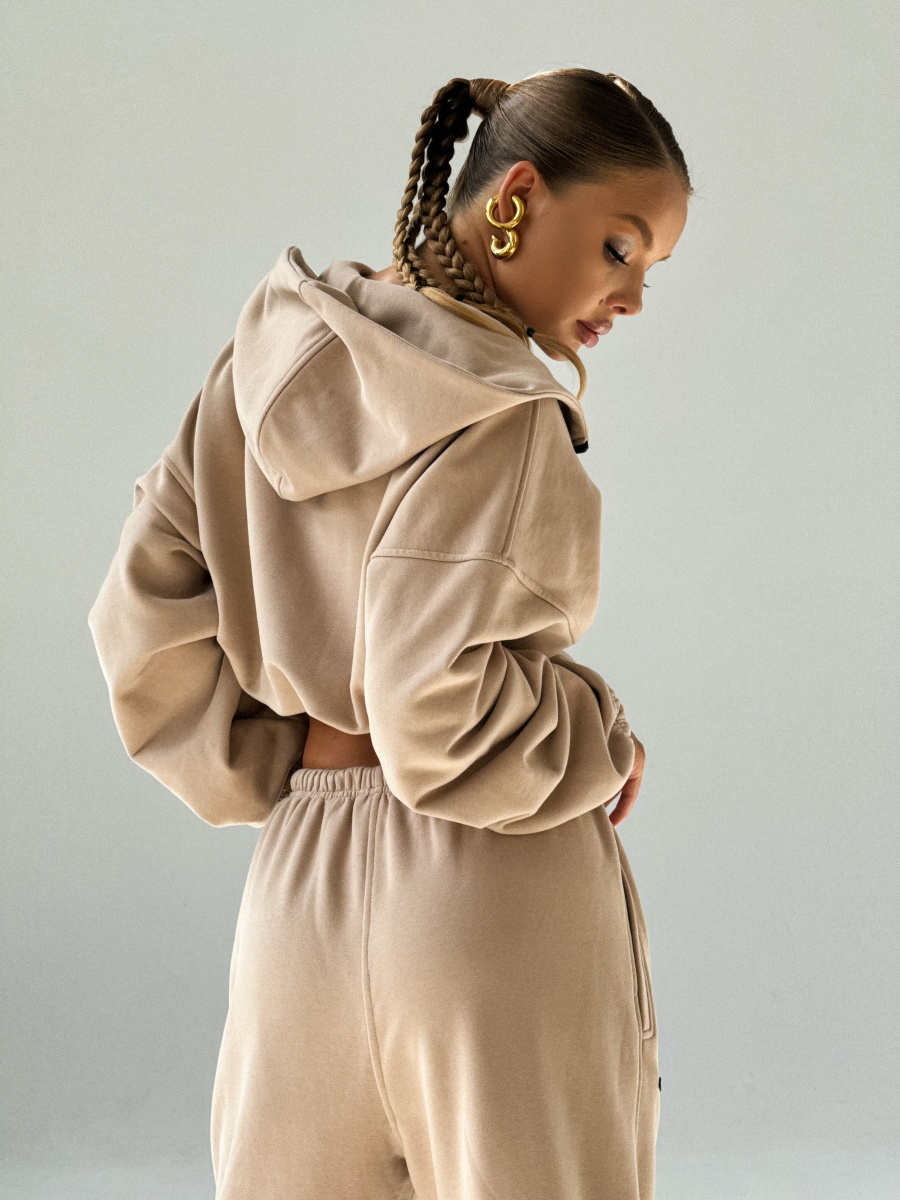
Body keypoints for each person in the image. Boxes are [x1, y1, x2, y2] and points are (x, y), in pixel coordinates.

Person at [88, 69, 690, 1200]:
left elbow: (142, 614)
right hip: (490, 890)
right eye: (621, 247)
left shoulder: (264, 366)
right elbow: (437, 714)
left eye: (651, 269)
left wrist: (280, 760)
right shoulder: (506, 416)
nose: (633, 296)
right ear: (516, 198)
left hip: (298, 897)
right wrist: (600, 732)